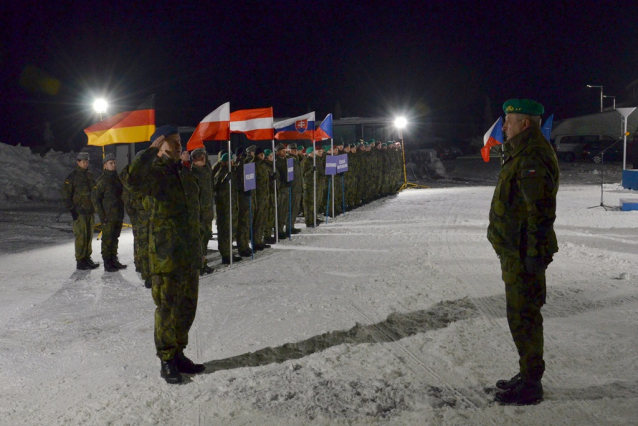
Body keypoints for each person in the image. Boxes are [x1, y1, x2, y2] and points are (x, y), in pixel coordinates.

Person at [488, 99, 559, 405]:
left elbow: (539, 211)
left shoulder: (532, 156)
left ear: (525, 124)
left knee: (525, 316)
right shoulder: (520, 152)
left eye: (509, 120)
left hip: (523, 254)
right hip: (515, 252)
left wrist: (533, 255)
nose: (504, 126)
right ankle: (527, 373)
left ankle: (531, 384)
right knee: (520, 316)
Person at [127, 125, 205, 384]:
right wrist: (149, 151)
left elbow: (194, 215)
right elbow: (131, 179)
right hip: (165, 255)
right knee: (168, 309)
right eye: (172, 142)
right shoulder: (152, 175)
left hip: (188, 255)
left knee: (187, 308)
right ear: (159, 147)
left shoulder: (183, 175)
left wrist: (199, 250)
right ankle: (167, 359)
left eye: (179, 141)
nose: (178, 145)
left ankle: (179, 353)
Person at [62, 152, 99, 270]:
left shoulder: (90, 175)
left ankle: (87, 257)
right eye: (83, 161)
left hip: (90, 211)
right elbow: (66, 195)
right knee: (81, 236)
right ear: (78, 162)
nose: (85, 163)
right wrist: (72, 210)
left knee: (88, 235)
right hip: (80, 211)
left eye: (87, 161)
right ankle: (80, 260)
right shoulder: (73, 177)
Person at [91, 153, 126, 272]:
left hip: (118, 214)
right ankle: (107, 262)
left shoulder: (118, 178)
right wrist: (102, 215)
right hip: (107, 216)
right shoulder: (101, 181)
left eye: (115, 163)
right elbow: (95, 199)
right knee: (107, 239)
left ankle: (114, 259)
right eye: (111, 163)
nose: (114, 165)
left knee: (115, 237)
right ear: (105, 165)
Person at [214, 153, 243, 264]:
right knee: (225, 232)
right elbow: (217, 191)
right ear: (224, 162)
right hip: (224, 209)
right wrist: (224, 181)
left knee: (231, 231)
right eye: (230, 161)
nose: (232, 163)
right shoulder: (220, 174)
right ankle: (225, 254)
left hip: (232, 206)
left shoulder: (232, 173)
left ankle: (229, 251)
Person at [190, 148, 215, 274]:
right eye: (203, 157)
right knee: (198, 240)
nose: (205, 159)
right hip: (199, 214)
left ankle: (203, 263)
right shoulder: (192, 174)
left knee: (205, 239)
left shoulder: (205, 171)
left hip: (207, 212)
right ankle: (199, 265)